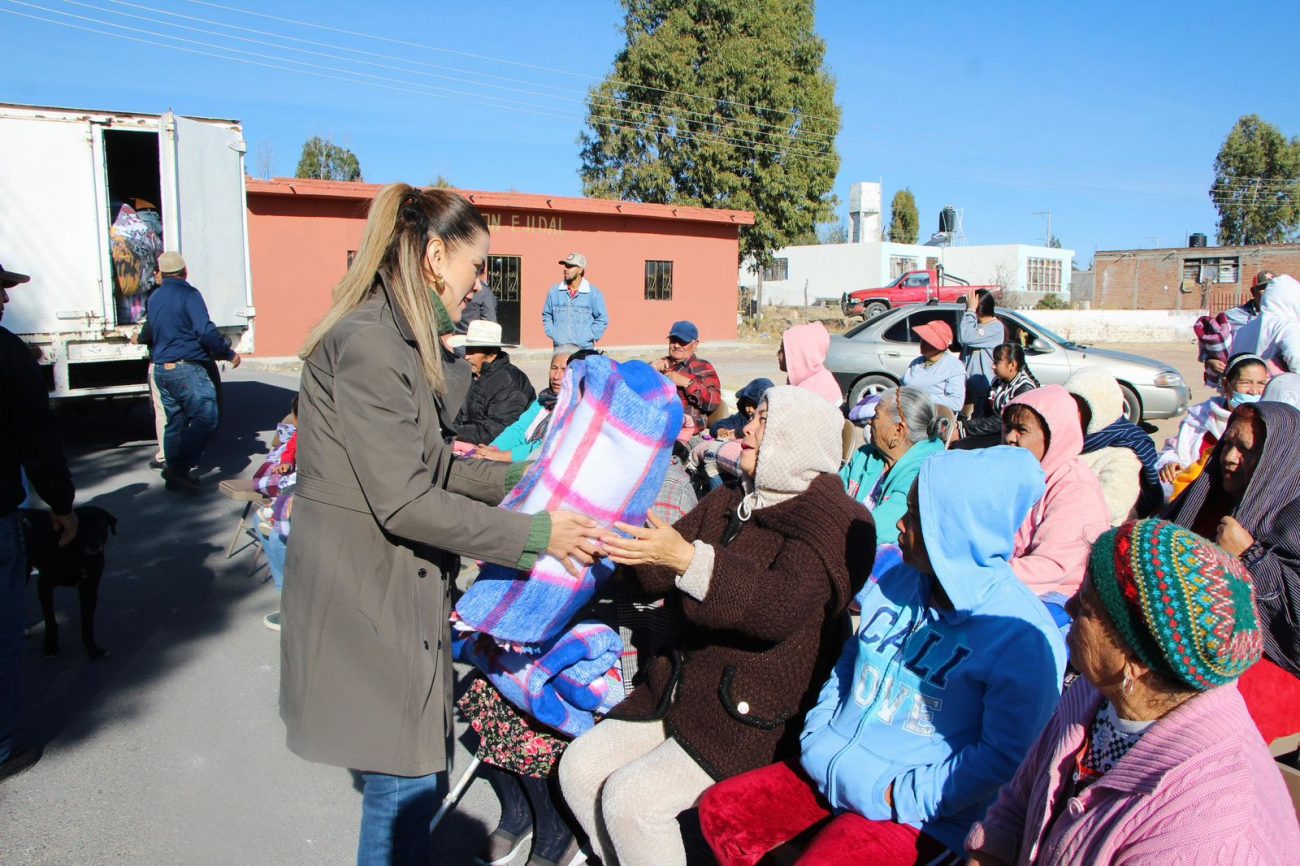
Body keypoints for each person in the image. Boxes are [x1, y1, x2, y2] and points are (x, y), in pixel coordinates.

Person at [278, 184, 599, 866]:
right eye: (475, 266)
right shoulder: (372, 344)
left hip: (387, 589)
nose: (480, 284)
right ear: (433, 257)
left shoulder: (397, 338)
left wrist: (525, 481)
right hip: (368, 593)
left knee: (412, 781)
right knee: (402, 793)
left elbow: (435, 467)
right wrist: (538, 534)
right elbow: (408, 502)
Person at [700, 447, 1067, 865]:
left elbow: (1004, 757)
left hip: (920, 814)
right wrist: (820, 734)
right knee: (720, 814)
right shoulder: (900, 580)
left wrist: (900, 795)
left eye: (916, 515)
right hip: (836, 765)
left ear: (956, 529)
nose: (900, 524)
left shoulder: (1021, 634)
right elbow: (850, 661)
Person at [558, 386, 875, 866]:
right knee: (580, 769)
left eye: (764, 420)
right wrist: (613, 543)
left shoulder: (834, 521)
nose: (747, 427)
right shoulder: (735, 495)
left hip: (751, 713)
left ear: (796, 438)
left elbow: (778, 607)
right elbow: (662, 561)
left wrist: (689, 561)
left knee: (632, 802)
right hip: (684, 687)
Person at [966, 519, 1299, 865]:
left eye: (1088, 607)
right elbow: (1016, 807)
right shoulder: (1096, 692)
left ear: (1137, 660)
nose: (1070, 606)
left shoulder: (1203, 832)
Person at [1, 260, 77, 783]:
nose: (6, 300)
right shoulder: (6, 354)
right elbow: (36, 437)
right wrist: (62, 504)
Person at [1003, 385, 1110, 600]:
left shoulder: (1075, 489)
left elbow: (1051, 567)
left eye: (1022, 430)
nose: (1010, 437)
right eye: (1007, 428)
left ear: (1053, 437)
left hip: (1057, 594)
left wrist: (981, 575)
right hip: (1009, 578)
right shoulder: (1015, 473)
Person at [146, 251, 240, 492]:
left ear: (162, 273)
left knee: (175, 422)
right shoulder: (189, 294)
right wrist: (227, 352)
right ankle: (178, 468)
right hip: (186, 366)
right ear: (185, 272)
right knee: (207, 416)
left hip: (161, 369)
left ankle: (174, 472)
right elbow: (204, 330)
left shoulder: (154, 297)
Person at [840, 386, 946, 547]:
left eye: (876, 415)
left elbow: (877, 529)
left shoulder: (923, 475)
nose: (869, 421)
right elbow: (830, 494)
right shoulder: (866, 454)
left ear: (898, 430)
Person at [1156, 353, 1268, 501]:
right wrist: (1171, 463)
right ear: (1226, 384)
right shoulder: (1200, 417)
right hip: (1193, 496)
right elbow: (1174, 449)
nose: (1254, 391)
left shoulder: (1267, 423)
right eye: (1246, 383)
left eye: (1261, 383)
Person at [1065, 367, 1162, 522]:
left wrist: (1059, 506)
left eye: (1082, 408)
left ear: (1100, 410)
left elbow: (1111, 505)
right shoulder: (1064, 441)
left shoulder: (1125, 455)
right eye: (1071, 406)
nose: (1074, 414)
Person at [473, 344, 580, 464]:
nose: (556, 376)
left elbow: (543, 446)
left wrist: (501, 456)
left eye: (564, 370)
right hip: (519, 460)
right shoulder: (544, 400)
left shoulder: (577, 408)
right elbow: (518, 430)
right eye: (554, 368)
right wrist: (493, 448)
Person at [450, 320, 536, 445]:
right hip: (469, 441)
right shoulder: (472, 375)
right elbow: (459, 412)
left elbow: (495, 433)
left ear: (491, 355)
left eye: (473, 351)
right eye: (467, 350)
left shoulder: (510, 382)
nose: (467, 356)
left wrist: (452, 432)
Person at [953, 343, 1038, 450]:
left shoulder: (1024, 388)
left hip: (1009, 435)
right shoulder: (997, 381)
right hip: (993, 430)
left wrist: (965, 427)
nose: (992, 366)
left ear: (1012, 365)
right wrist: (963, 426)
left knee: (962, 446)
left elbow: (1003, 421)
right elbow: (987, 413)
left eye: (997, 362)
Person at [1202, 269, 1272, 384]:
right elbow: (1214, 344)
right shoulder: (1232, 316)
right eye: (1264, 288)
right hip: (1240, 379)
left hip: (1272, 379)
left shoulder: (1289, 319)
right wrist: (1210, 360)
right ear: (1253, 292)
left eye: (1273, 287)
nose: (1269, 292)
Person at [649, 320, 722, 432]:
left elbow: (713, 403)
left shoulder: (703, 367)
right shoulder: (659, 364)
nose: (676, 346)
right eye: (673, 341)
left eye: (683, 342)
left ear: (695, 344)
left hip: (682, 429)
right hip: (653, 422)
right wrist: (650, 369)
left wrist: (687, 383)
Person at [1232, 272, 1300, 373]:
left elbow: (1233, 364)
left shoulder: (1242, 331)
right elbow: (1296, 359)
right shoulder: (1289, 327)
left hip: (1248, 381)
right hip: (1277, 382)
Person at [541, 252, 608, 349]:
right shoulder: (554, 292)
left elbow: (602, 319)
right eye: (565, 266)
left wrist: (589, 336)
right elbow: (547, 315)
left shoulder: (593, 294)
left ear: (580, 270)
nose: (565, 269)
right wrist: (553, 334)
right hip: (561, 349)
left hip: (584, 350)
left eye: (570, 266)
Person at [900, 319, 965, 413]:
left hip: (933, 416)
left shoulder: (954, 366)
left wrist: (920, 397)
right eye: (922, 339)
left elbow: (956, 403)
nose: (922, 343)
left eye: (928, 340)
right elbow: (903, 387)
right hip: (909, 412)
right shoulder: (916, 362)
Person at [959, 289, 1005, 413]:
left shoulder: (996, 328)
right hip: (967, 387)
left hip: (983, 389)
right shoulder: (973, 325)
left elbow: (966, 336)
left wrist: (970, 311)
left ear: (978, 309)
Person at [779, 322, 842, 405]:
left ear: (801, 354)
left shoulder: (814, 391)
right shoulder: (808, 380)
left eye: (783, 350)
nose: (778, 354)